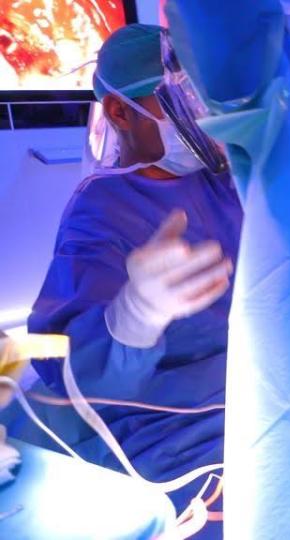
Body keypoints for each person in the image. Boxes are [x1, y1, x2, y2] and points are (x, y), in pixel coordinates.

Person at [26, 24, 240, 538]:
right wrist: (133, 319)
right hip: (174, 426)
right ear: (120, 112)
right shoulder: (100, 208)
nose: (199, 117)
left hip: (254, 389)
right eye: (176, 102)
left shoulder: (223, 181)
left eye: (200, 97)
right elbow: (74, 370)